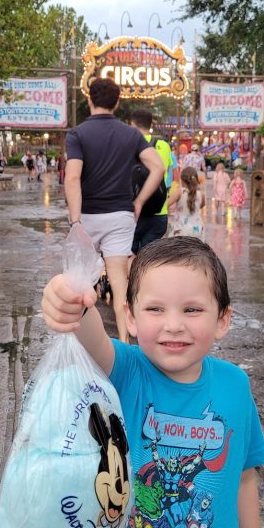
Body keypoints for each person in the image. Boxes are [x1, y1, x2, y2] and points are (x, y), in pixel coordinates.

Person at [41, 236, 264, 528]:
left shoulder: (235, 386)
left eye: (193, 309)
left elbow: (244, 479)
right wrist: (69, 298)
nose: (173, 325)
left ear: (223, 319)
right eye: (155, 309)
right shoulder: (124, 370)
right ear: (128, 315)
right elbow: (89, 332)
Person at [64, 77, 163, 343]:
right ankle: (125, 340)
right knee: (120, 284)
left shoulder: (77, 134)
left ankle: (83, 342)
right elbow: (158, 168)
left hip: (87, 216)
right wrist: (139, 201)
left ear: (89, 100)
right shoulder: (131, 134)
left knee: (83, 281)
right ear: (117, 102)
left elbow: (72, 178)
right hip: (121, 216)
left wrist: (75, 221)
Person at [129, 107, 175, 252]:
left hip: (135, 212)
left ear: (132, 124)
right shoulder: (164, 145)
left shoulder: (130, 144)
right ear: (150, 125)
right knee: (149, 258)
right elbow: (167, 172)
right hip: (159, 211)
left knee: (129, 256)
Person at [169, 166, 206, 238]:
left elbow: (166, 205)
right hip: (197, 229)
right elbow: (201, 206)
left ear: (182, 180)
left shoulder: (179, 192)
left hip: (181, 230)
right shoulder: (201, 194)